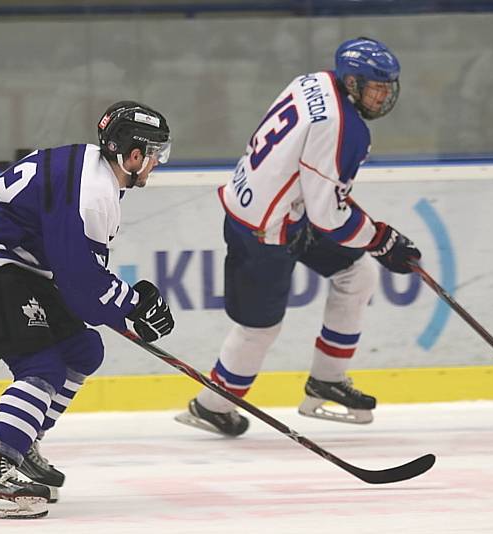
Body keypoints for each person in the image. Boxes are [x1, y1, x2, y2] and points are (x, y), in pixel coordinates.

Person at [175, 37, 421, 437]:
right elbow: (330, 216)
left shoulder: (315, 81)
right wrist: (381, 238)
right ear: (353, 83)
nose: (383, 98)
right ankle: (212, 405)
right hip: (265, 229)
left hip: (278, 211)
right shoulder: (345, 128)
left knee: (357, 275)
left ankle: (327, 380)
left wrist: (375, 239)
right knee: (260, 328)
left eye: (387, 88)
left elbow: (317, 194)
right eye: (376, 88)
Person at [0, 101, 176, 519]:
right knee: (43, 367)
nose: (157, 163)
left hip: (16, 266)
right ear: (134, 155)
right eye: (155, 154)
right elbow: (82, 286)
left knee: (83, 349)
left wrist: (126, 306)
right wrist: (132, 306)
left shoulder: (91, 168)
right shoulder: (95, 192)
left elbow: (80, 279)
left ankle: (22, 442)